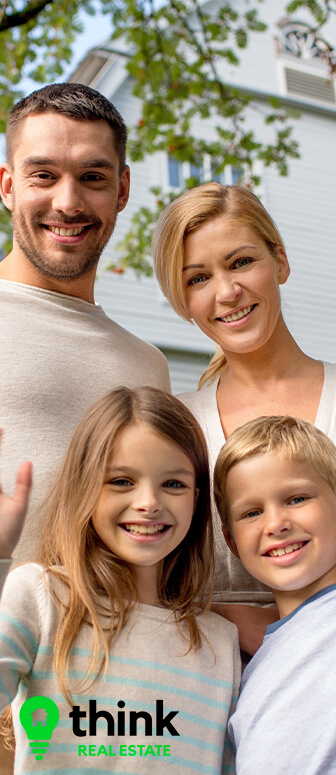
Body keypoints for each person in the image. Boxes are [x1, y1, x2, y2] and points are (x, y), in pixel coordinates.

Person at [0, 387, 240, 774]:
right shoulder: (39, 595)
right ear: (85, 487)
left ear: (197, 499)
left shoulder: (221, 643)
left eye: (174, 484)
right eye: (122, 481)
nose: (149, 502)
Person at [152, 181, 336, 654]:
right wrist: (225, 615)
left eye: (241, 262)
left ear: (280, 261)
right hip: (208, 691)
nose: (228, 292)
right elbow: (147, 576)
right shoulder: (178, 428)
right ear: (183, 303)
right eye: (198, 278)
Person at [0, 83, 170, 566]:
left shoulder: (147, 367)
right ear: (8, 186)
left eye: (92, 176)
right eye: (44, 175)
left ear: (122, 190)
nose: (68, 202)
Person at [213, 414, 336, 774]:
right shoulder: (247, 672)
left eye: (297, 498)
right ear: (231, 542)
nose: (276, 524)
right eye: (252, 512)